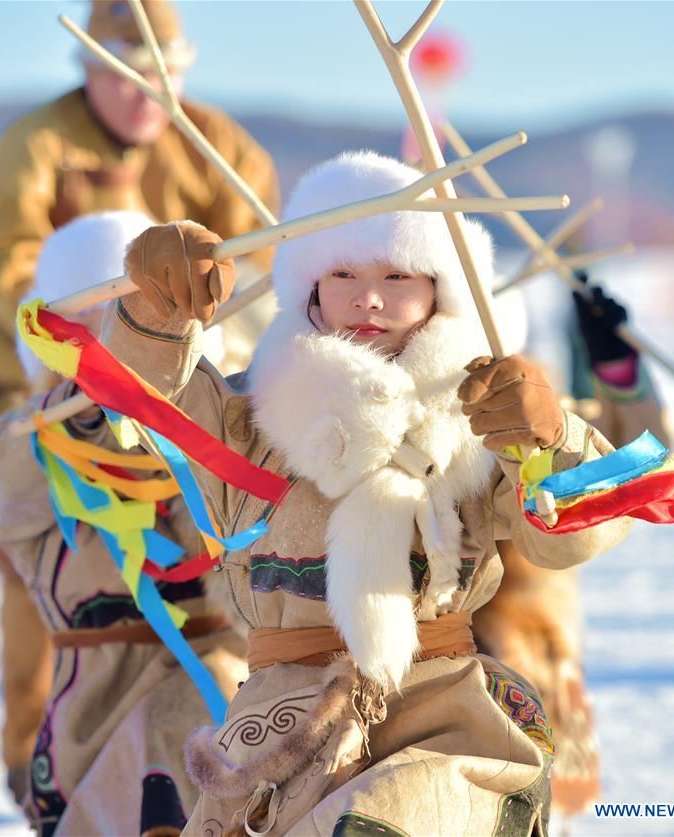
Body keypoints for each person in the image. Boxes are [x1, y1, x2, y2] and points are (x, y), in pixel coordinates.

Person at [93, 150, 635, 835]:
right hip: (276, 732)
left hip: (444, 718)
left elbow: (576, 536)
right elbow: (144, 397)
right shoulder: (248, 416)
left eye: (396, 274)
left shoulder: (482, 416)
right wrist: (155, 305)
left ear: (439, 289)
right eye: (343, 272)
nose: (368, 296)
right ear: (310, 289)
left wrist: (550, 440)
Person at [0, 0, 279, 795]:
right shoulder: (39, 143)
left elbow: (260, 254)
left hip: (178, 393)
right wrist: (64, 335)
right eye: (126, 76)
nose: (145, 95)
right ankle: (35, 760)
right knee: (49, 579)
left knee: (203, 570)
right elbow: (2, 256)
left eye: (163, 76)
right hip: (46, 387)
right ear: (89, 68)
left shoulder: (217, 147)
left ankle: (201, 748)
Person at [0, 210, 248, 836]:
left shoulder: (223, 437)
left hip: (222, 704)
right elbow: (8, 491)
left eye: (136, 311)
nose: (117, 335)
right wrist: (117, 388)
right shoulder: (18, 447)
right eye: (103, 313)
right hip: (88, 725)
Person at [472, 276, 674, 819]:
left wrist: (616, 366)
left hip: (542, 653)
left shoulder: (544, 406)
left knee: (551, 811)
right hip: (432, 665)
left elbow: (641, 464)